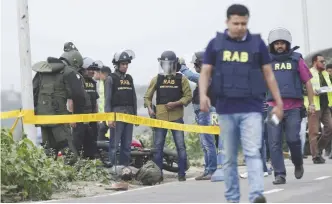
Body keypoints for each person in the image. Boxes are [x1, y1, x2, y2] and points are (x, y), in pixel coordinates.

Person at [198, 4, 284, 203]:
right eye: (236, 23)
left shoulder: (257, 44)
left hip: (252, 108)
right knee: (228, 158)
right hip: (226, 109)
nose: (240, 27)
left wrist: (278, 103)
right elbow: (205, 72)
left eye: (244, 23)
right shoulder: (216, 44)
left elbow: (269, 75)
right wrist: (203, 94)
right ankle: (232, 199)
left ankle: (256, 196)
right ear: (227, 22)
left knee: (252, 151)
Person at [265, 27, 315, 185]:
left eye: (282, 43)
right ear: (272, 45)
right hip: (273, 108)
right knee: (274, 142)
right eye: (276, 43)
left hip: (294, 108)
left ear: (287, 44)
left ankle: (298, 162)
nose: (279, 46)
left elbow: (307, 82)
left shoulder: (296, 59)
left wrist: (312, 103)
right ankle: (279, 174)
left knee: (293, 139)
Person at [32, 42, 86, 164]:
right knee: (68, 151)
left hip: (42, 118)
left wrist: (35, 112)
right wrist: (77, 116)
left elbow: (33, 92)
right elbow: (79, 96)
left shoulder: (42, 70)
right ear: (75, 61)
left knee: (49, 152)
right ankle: (72, 177)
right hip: (60, 119)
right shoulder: (69, 72)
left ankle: (49, 177)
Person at [144, 50, 192, 182]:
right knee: (158, 147)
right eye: (164, 64)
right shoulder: (157, 79)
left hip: (177, 117)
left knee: (180, 146)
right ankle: (158, 175)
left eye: (168, 64)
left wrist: (176, 103)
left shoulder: (182, 79)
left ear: (174, 64)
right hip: (160, 118)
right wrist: (149, 108)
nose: (166, 66)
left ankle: (181, 174)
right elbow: (147, 97)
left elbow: (188, 97)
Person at [178, 52, 217, 180]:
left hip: (205, 112)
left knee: (208, 142)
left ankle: (211, 170)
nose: (195, 67)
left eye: (196, 65)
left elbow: (190, 76)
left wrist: (182, 66)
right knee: (204, 142)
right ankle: (207, 170)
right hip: (202, 112)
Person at [104, 49, 138, 167]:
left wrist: (136, 116)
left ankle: (125, 169)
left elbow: (133, 98)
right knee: (114, 144)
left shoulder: (129, 78)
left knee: (127, 145)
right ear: (117, 65)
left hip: (129, 114)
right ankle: (112, 169)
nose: (125, 66)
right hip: (117, 115)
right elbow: (107, 99)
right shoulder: (110, 78)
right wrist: (109, 117)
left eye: (127, 64)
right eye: (123, 64)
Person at [304, 54, 332, 164]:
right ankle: (315, 156)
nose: (324, 63)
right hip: (314, 107)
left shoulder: (325, 74)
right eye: (322, 61)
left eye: (324, 61)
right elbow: (303, 89)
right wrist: (312, 92)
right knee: (314, 132)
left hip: (325, 106)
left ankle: (319, 149)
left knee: (330, 128)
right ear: (315, 62)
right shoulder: (308, 72)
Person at [73, 58, 100, 159]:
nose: (93, 71)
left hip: (92, 120)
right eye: (90, 69)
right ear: (83, 69)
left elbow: (95, 102)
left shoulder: (93, 83)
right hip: (79, 120)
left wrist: (96, 118)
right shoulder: (78, 82)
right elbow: (71, 101)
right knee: (78, 145)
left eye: (94, 69)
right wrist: (72, 118)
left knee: (91, 146)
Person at [97, 66, 112, 141]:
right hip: (103, 117)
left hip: (106, 116)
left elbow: (106, 100)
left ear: (103, 74)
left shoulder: (107, 83)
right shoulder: (101, 83)